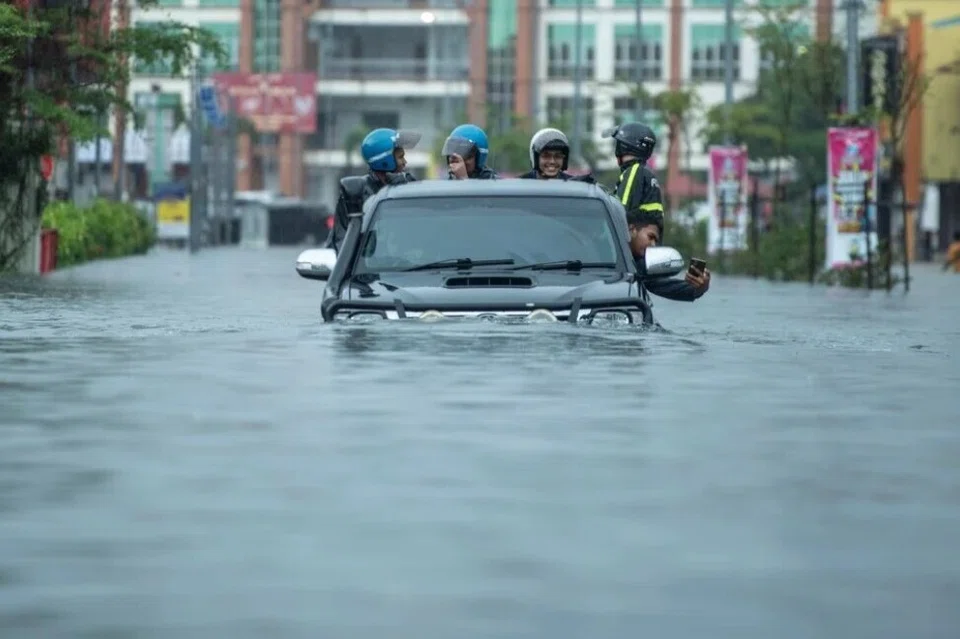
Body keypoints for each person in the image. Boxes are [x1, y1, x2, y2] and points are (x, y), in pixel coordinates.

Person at [326, 127, 420, 252]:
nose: (405, 162)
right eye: (400, 157)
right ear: (385, 161)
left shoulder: (409, 186)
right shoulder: (357, 194)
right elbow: (340, 241)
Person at [628, 209, 710, 302]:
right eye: (650, 237)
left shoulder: (638, 267)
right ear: (632, 230)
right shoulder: (614, 262)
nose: (653, 245)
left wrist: (698, 288)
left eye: (655, 241)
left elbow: (663, 285)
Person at [602, 122, 664, 218]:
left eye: (619, 145)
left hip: (634, 232)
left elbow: (620, 211)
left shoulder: (634, 171)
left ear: (624, 147)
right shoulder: (645, 172)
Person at [518, 128, 596, 183]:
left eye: (558, 156)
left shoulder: (574, 186)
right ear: (535, 157)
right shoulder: (519, 186)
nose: (552, 161)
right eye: (546, 156)